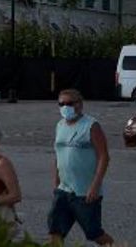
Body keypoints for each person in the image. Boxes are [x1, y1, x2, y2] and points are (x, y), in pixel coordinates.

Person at [49, 89, 115, 246]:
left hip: (84, 192)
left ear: (80, 104)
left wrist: (94, 186)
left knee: (94, 233)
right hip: (64, 190)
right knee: (55, 232)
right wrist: (56, 183)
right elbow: (58, 155)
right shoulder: (60, 125)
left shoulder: (91, 125)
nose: (66, 107)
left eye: (70, 103)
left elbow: (103, 156)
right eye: (62, 104)